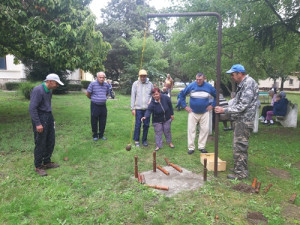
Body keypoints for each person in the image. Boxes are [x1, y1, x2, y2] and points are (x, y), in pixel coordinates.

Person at [215, 64, 258, 180]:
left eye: (233, 75)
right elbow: (236, 101)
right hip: (240, 120)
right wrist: (225, 104)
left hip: (244, 121)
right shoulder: (242, 84)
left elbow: (243, 106)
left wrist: (224, 110)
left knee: (240, 146)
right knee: (237, 146)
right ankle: (238, 168)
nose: (232, 77)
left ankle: (241, 173)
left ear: (240, 74)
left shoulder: (249, 83)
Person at [29, 73, 64, 176]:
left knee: (50, 140)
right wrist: (38, 123)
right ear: (50, 81)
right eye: (56, 83)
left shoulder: (49, 91)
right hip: (40, 117)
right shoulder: (38, 90)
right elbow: (32, 108)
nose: (57, 85)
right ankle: (38, 166)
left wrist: (51, 119)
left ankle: (47, 162)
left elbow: (47, 105)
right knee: (40, 142)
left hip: (48, 116)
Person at [179, 72, 216, 155]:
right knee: (191, 130)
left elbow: (216, 96)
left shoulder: (209, 87)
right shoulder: (191, 86)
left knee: (204, 130)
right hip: (193, 112)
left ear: (204, 79)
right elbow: (182, 94)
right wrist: (185, 106)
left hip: (205, 112)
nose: (198, 81)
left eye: (200, 79)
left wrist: (212, 105)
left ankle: (201, 147)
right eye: (197, 79)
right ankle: (191, 147)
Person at [131, 69, 153, 147]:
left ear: (146, 76)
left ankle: (144, 140)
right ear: (139, 76)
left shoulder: (150, 84)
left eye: (144, 76)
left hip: (147, 109)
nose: (143, 78)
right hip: (138, 108)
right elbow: (133, 96)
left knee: (146, 125)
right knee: (138, 124)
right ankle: (136, 140)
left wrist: (150, 100)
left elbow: (152, 95)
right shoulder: (135, 84)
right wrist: (132, 108)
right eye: (141, 76)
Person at [86, 72, 109, 141]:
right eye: (100, 77)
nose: (102, 79)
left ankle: (101, 135)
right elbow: (87, 94)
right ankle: (95, 135)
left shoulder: (106, 85)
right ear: (97, 77)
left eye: (103, 77)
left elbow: (107, 93)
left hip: (103, 106)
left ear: (104, 78)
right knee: (94, 120)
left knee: (103, 121)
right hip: (95, 105)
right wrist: (93, 99)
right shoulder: (92, 84)